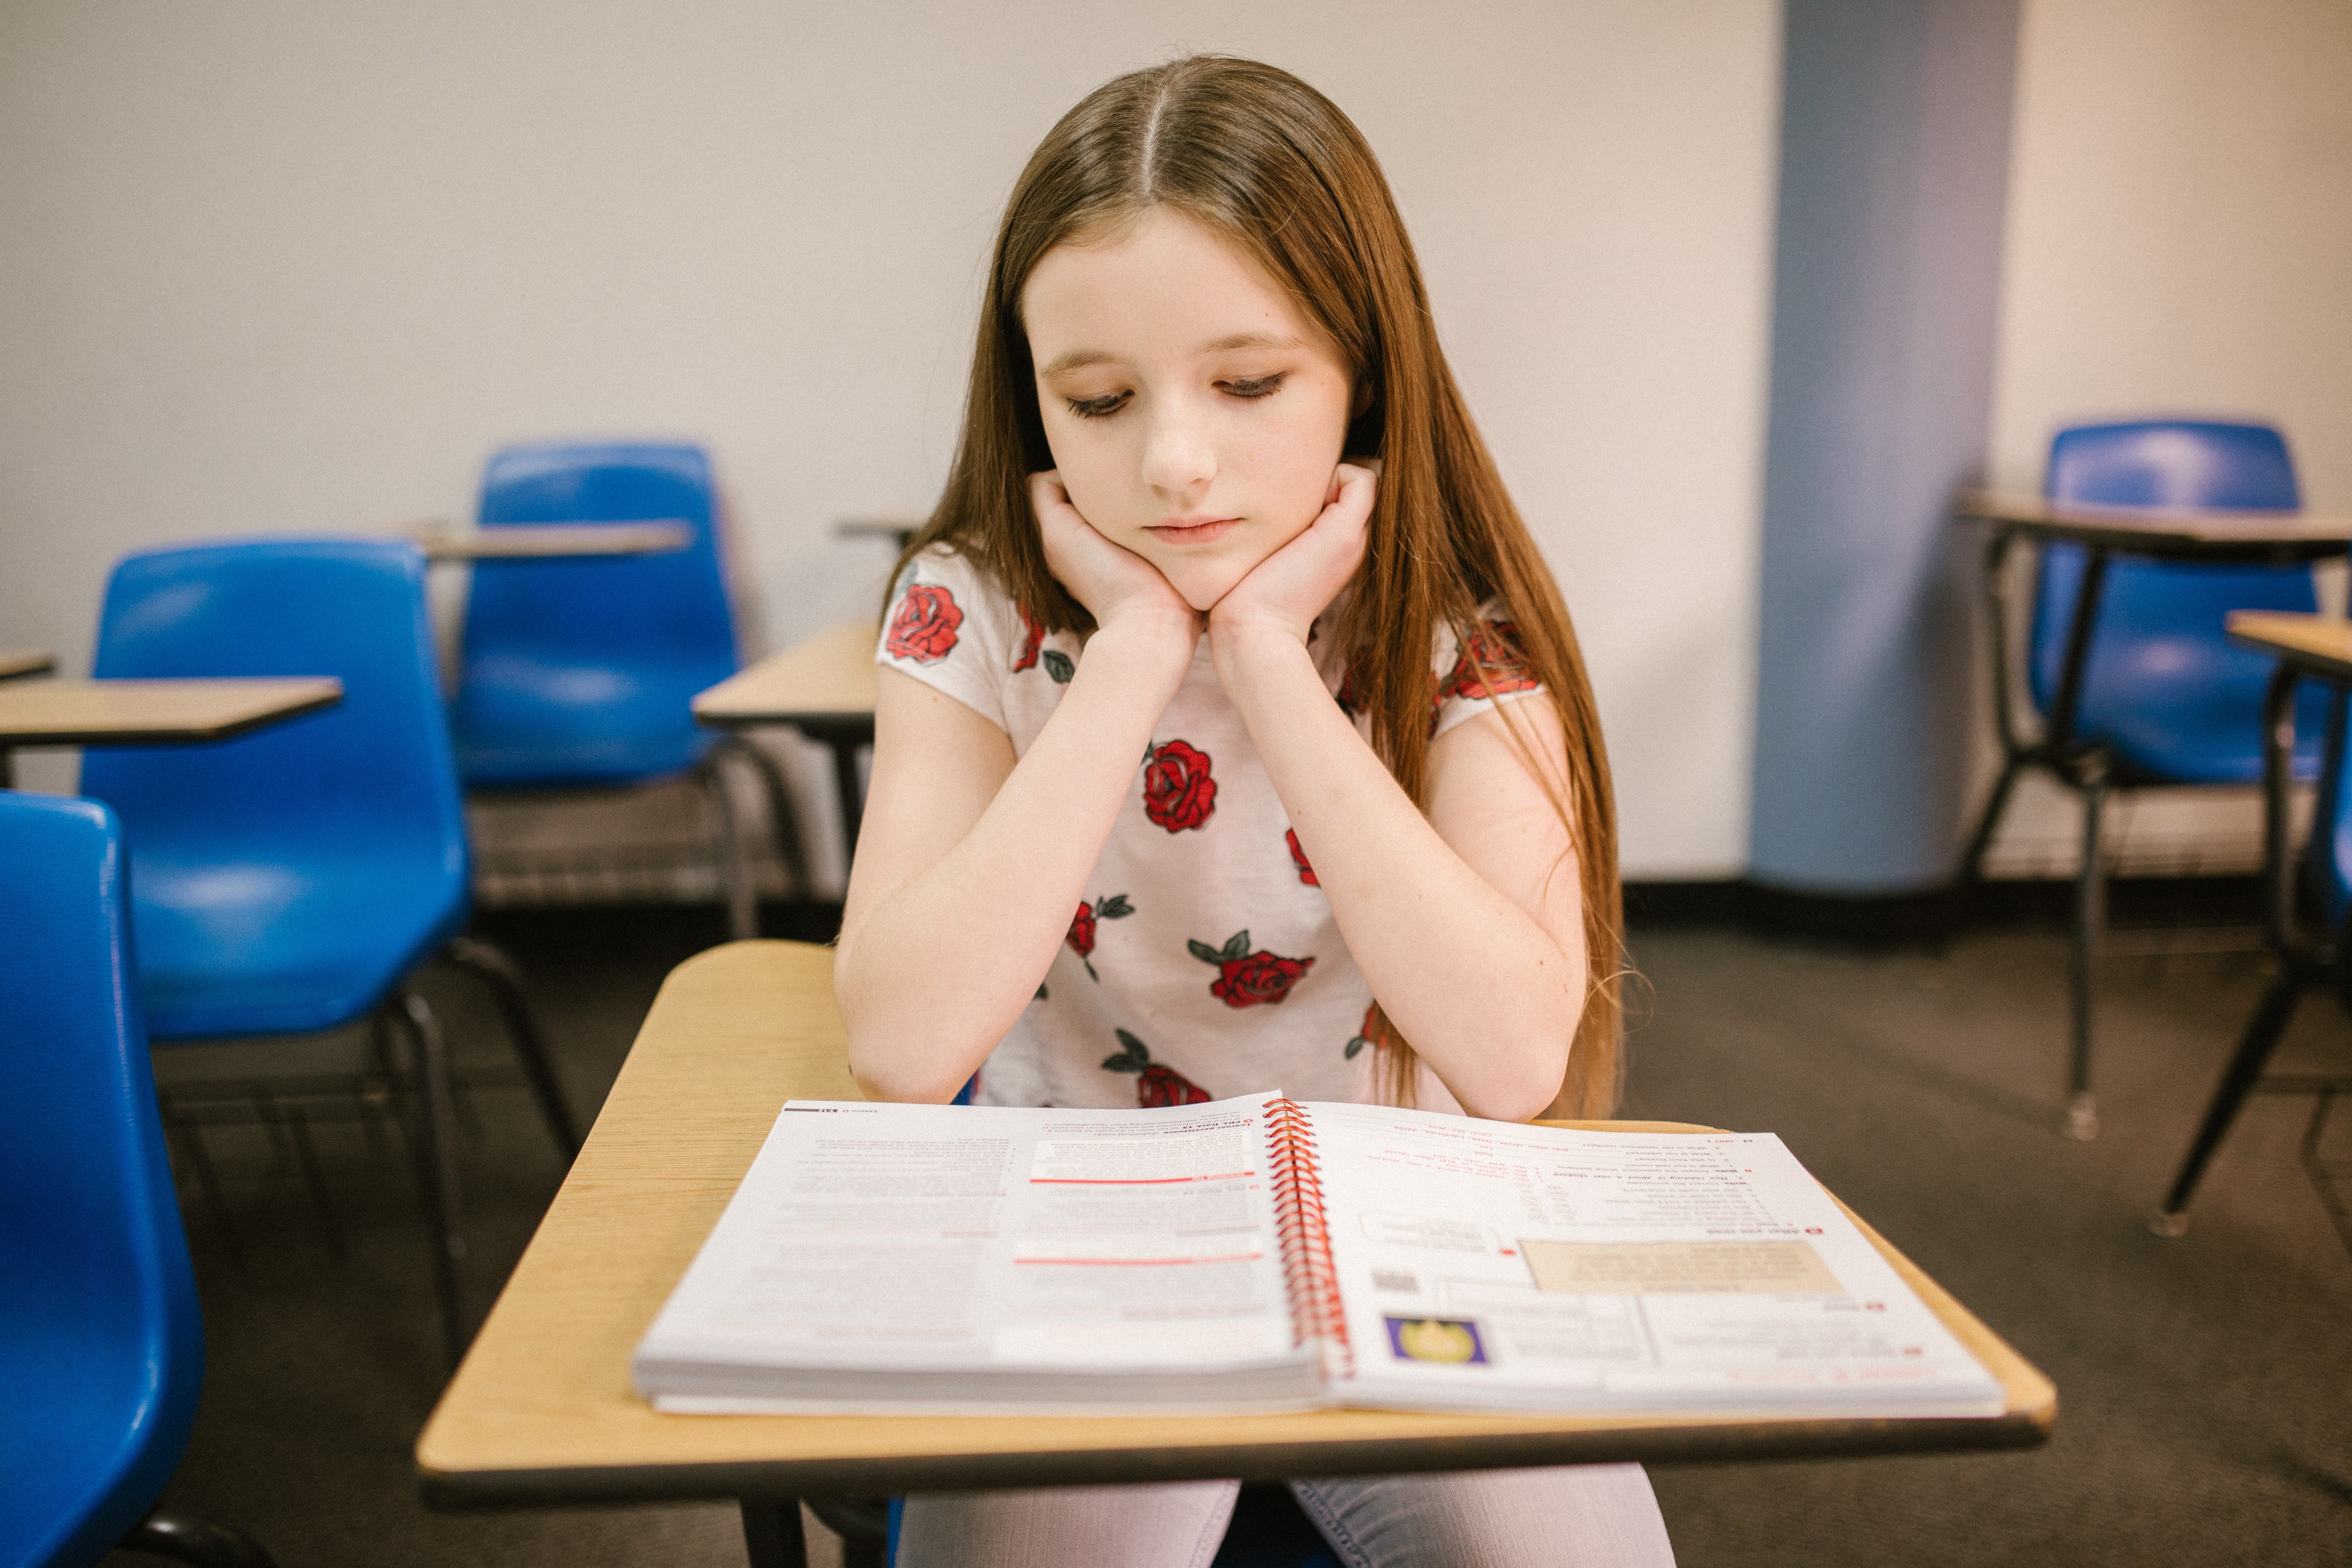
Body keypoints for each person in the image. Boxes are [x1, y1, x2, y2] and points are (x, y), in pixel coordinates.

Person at [834, 54, 1671, 1568]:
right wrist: (1139, 652)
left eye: (1250, 382)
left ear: (1364, 375)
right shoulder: (966, 609)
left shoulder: (1458, 627)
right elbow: (904, 1037)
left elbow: (1511, 1052)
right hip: (1095, 1218)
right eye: (1097, 399)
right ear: (1032, 401)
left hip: (1409, 1221)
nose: (1172, 460)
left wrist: (1270, 656)